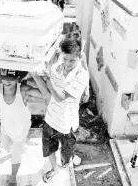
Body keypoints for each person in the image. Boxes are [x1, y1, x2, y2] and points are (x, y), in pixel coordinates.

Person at [36, 32, 89, 183]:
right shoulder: (56, 67)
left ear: (80, 57)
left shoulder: (82, 75)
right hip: (50, 118)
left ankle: (68, 160)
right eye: (65, 58)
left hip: (67, 124)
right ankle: (54, 168)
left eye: (72, 60)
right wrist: (36, 75)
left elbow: (59, 97)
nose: (67, 63)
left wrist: (47, 79)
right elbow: (47, 92)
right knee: (49, 148)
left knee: (66, 156)